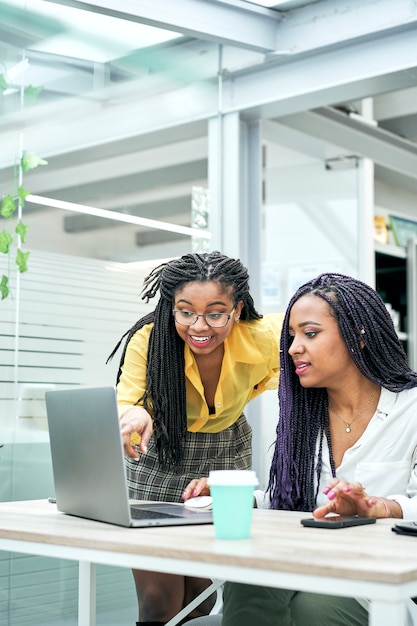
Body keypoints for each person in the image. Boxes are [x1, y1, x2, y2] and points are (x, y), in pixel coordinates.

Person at [186, 272, 417, 626]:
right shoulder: (304, 417)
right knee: (248, 578)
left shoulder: (411, 409)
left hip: (384, 583)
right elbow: (292, 502)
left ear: (360, 336)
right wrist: (240, 499)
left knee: (313, 608)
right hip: (310, 563)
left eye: (310, 333)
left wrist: (380, 507)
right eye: (292, 336)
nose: (293, 347)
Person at [108, 250, 283, 626]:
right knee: (158, 601)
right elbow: (130, 399)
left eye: (215, 313)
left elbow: (324, 336)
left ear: (236, 309)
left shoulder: (264, 337)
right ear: (171, 307)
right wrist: (135, 413)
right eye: (185, 312)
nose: (199, 326)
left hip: (224, 454)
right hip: (158, 455)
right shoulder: (150, 340)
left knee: (200, 595)